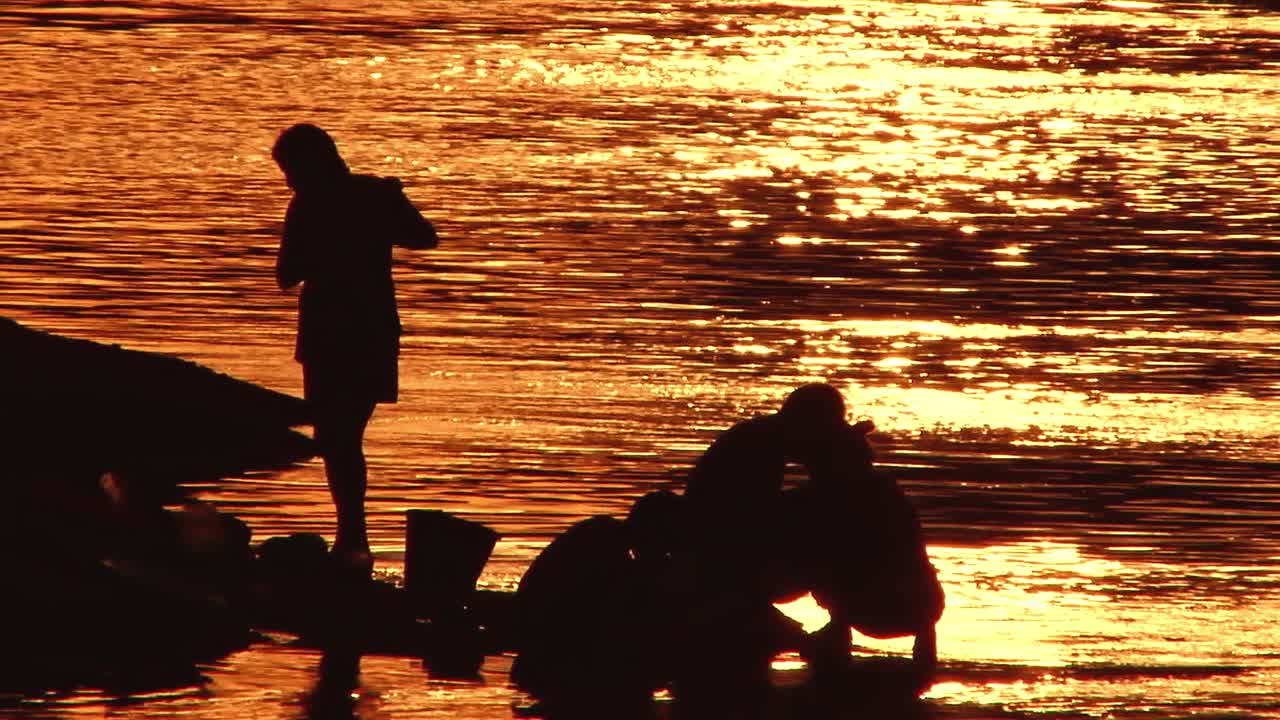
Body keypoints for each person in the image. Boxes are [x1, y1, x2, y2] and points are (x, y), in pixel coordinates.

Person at [272, 123, 438, 576]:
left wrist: (385, 208)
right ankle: (353, 539)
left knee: (337, 438)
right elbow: (424, 237)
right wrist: (387, 206)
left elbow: (286, 274)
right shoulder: (372, 196)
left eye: (290, 170)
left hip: (333, 334)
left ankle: (352, 540)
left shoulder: (311, 204)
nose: (288, 181)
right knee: (344, 437)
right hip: (369, 330)